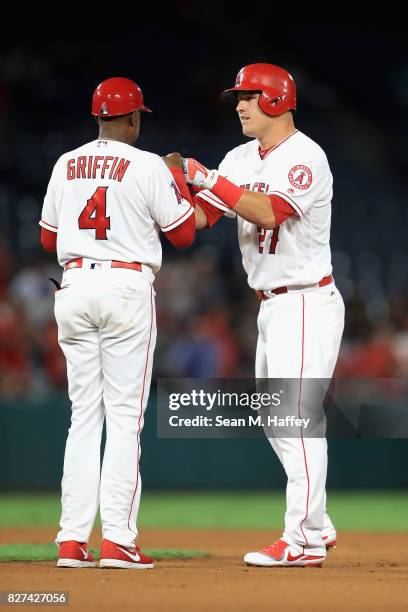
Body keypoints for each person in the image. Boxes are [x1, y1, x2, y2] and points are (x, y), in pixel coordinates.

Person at [182, 63, 345, 567]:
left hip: (305, 299)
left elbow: (270, 211)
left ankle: (301, 538)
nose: (239, 104)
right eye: (238, 96)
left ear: (276, 99)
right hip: (271, 304)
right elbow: (206, 215)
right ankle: (315, 520)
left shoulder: (306, 156)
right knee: (279, 420)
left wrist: (206, 177)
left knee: (297, 418)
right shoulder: (238, 156)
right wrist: (166, 194)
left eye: (248, 96)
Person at [39, 77, 196, 569]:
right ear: (132, 119)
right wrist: (177, 182)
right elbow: (185, 233)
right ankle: (119, 542)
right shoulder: (148, 165)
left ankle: (71, 540)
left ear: (97, 118)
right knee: (124, 418)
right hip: (125, 288)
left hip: (73, 285)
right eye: (138, 117)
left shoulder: (66, 163)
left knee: (83, 416)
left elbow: (48, 240)